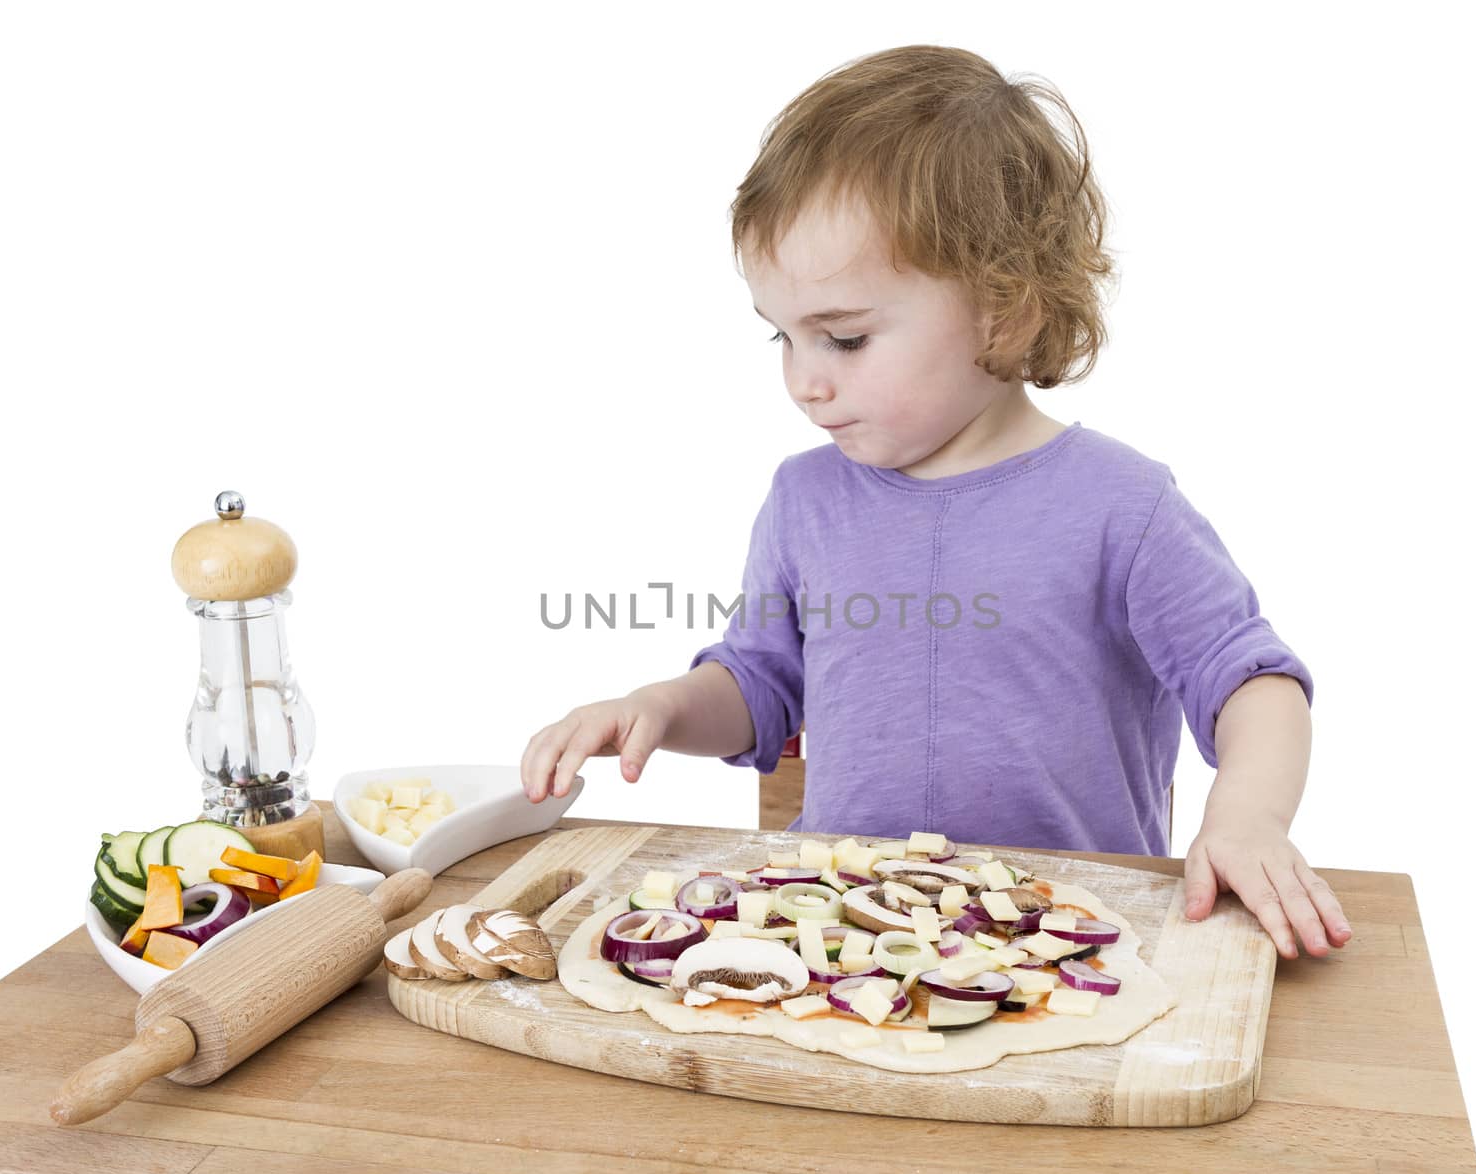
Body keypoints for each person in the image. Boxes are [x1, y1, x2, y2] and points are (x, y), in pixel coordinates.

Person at [522, 45, 1351, 961]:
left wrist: (1246, 817)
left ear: (1005, 310)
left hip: (1063, 945)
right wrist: (663, 706)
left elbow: (1253, 683)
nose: (805, 380)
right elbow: (759, 685)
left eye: (843, 337)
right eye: (783, 338)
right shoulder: (804, 498)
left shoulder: (1124, 505)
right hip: (833, 938)